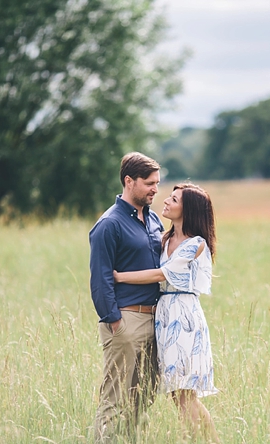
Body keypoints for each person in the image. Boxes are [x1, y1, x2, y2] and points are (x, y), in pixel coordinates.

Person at [114, 183, 220, 442]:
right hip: (165, 315)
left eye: (174, 199)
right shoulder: (165, 238)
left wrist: (118, 277)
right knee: (177, 392)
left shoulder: (195, 244)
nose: (166, 201)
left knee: (184, 393)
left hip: (183, 316)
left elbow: (163, 274)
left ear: (188, 209)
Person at [89, 152, 163, 443]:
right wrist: (115, 322)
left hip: (156, 321)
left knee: (143, 398)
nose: (155, 189)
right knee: (114, 400)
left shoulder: (154, 218)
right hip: (126, 320)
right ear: (129, 181)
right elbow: (100, 278)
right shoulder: (109, 224)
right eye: (149, 183)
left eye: (157, 182)